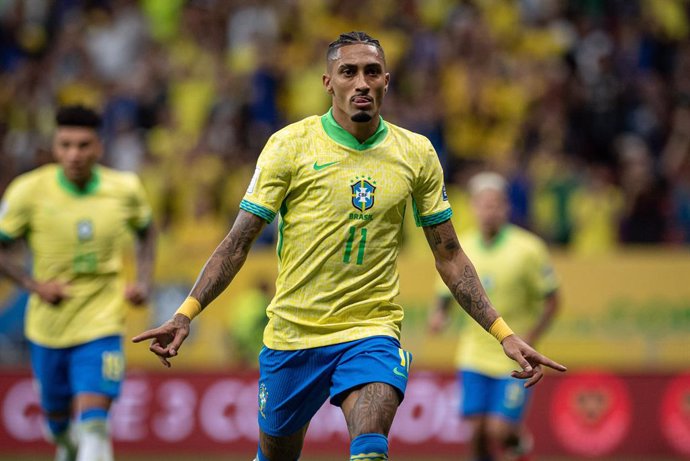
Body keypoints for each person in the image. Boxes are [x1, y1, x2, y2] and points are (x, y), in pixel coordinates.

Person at [133, 32, 565, 461]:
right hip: (293, 333)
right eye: (349, 72)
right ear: (328, 82)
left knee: (371, 441)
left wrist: (503, 333)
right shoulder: (289, 146)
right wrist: (185, 313)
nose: (361, 82)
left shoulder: (416, 153)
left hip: (370, 329)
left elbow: (449, 255)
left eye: (371, 72)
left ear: (386, 81)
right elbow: (235, 244)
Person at [0, 105, 157, 461]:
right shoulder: (28, 191)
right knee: (58, 426)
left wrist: (144, 282)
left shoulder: (125, 189)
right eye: (65, 145)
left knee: (95, 426)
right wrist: (34, 285)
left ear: (99, 146)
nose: (74, 154)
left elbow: (147, 233)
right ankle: (64, 443)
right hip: (48, 327)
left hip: (101, 323)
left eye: (83, 145)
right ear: (54, 147)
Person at [429, 171, 560, 461]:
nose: (489, 211)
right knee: (476, 432)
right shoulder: (460, 248)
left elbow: (552, 300)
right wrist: (438, 315)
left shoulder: (528, 249)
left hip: (514, 355)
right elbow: (445, 294)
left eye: (495, 204)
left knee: (499, 430)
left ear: (506, 207)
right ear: (473, 207)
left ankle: (518, 443)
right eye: (483, 204)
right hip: (473, 355)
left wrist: (532, 335)